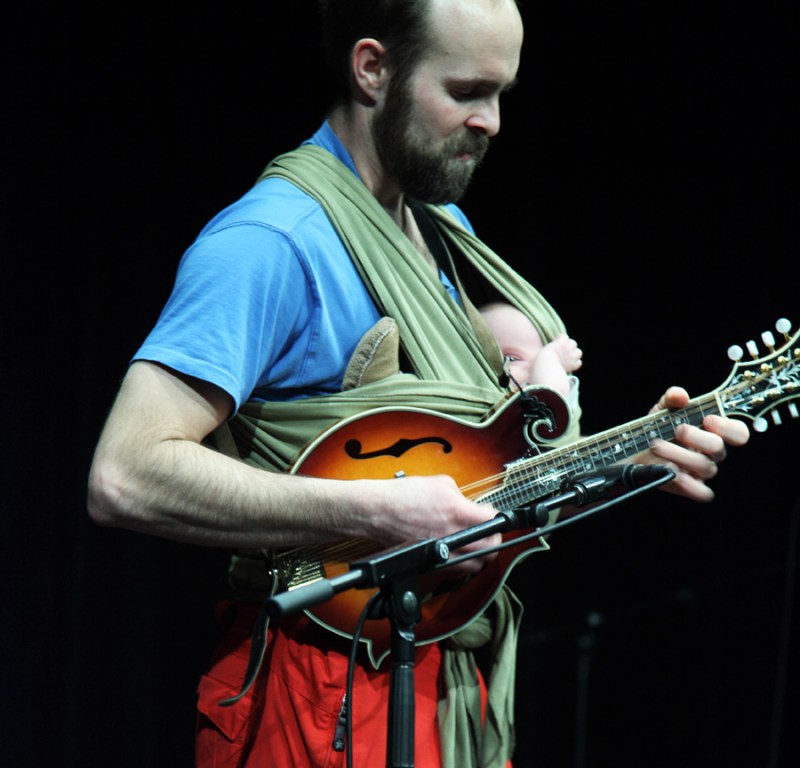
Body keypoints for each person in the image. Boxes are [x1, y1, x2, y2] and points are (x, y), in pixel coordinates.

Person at [86, 1, 750, 766]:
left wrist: (625, 465)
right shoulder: (271, 244)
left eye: (502, 93)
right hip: (318, 697)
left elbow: (479, 488)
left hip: (448, 687)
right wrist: (380, 508)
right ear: (373, 69)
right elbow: (125, 473)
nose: (492, 121)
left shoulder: (443, 231)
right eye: (466, 91)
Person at [479, 300, 583, 398]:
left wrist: (551, 355)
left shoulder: (544, 382)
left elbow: (551, 398)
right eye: (480, 359)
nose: (491, 368)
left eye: (511, 359)